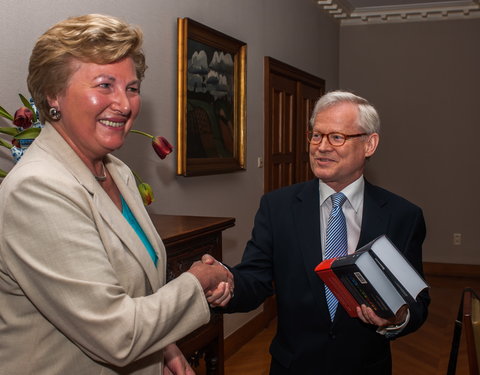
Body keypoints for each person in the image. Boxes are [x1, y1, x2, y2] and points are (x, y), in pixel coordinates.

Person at [0, 14, 233, 375]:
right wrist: (197, 281)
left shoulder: (117, 172)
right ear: (53, 95)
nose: (125, 105)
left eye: (132, 88)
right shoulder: (38, 189)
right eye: (105, 85)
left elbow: (129, 296)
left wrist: (165, 347)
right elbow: (117, 334)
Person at [206, 90, 430, 374]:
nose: (321, 147)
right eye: (316, 135)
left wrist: (398, 318)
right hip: (294, 365)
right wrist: (227, 285)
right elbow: (256, 280)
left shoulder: (402, 216)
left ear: (369, 144)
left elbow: (417, 303)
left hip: (365, 367)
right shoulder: (278, 207)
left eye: (337, 137)